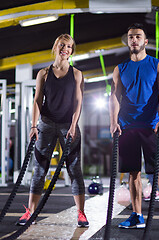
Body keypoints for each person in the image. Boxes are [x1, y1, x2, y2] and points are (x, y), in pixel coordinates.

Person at [109, 23, 159, 232]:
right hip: (126, 127)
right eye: (131, 36)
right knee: (133, 174)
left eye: (137, 36)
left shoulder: (157, 64)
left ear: (145, 41)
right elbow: (115, 96)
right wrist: (113, 121)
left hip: (152, 127)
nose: (133, 40)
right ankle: (137, 215)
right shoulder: (120, 68)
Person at [16, 34, 89, 228]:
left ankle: (81, 213)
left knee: (74, 170)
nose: (65, 49)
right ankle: (30, 212)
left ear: (72, 51)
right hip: (46, 124)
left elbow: (78, 102)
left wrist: (73, 125)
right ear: (55, 46)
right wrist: (34, 125)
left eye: (69, 47)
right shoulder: (44, 73)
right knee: (39, 170)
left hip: (68, 125)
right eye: (62, 45)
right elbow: (38, 100)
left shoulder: (76, 74)